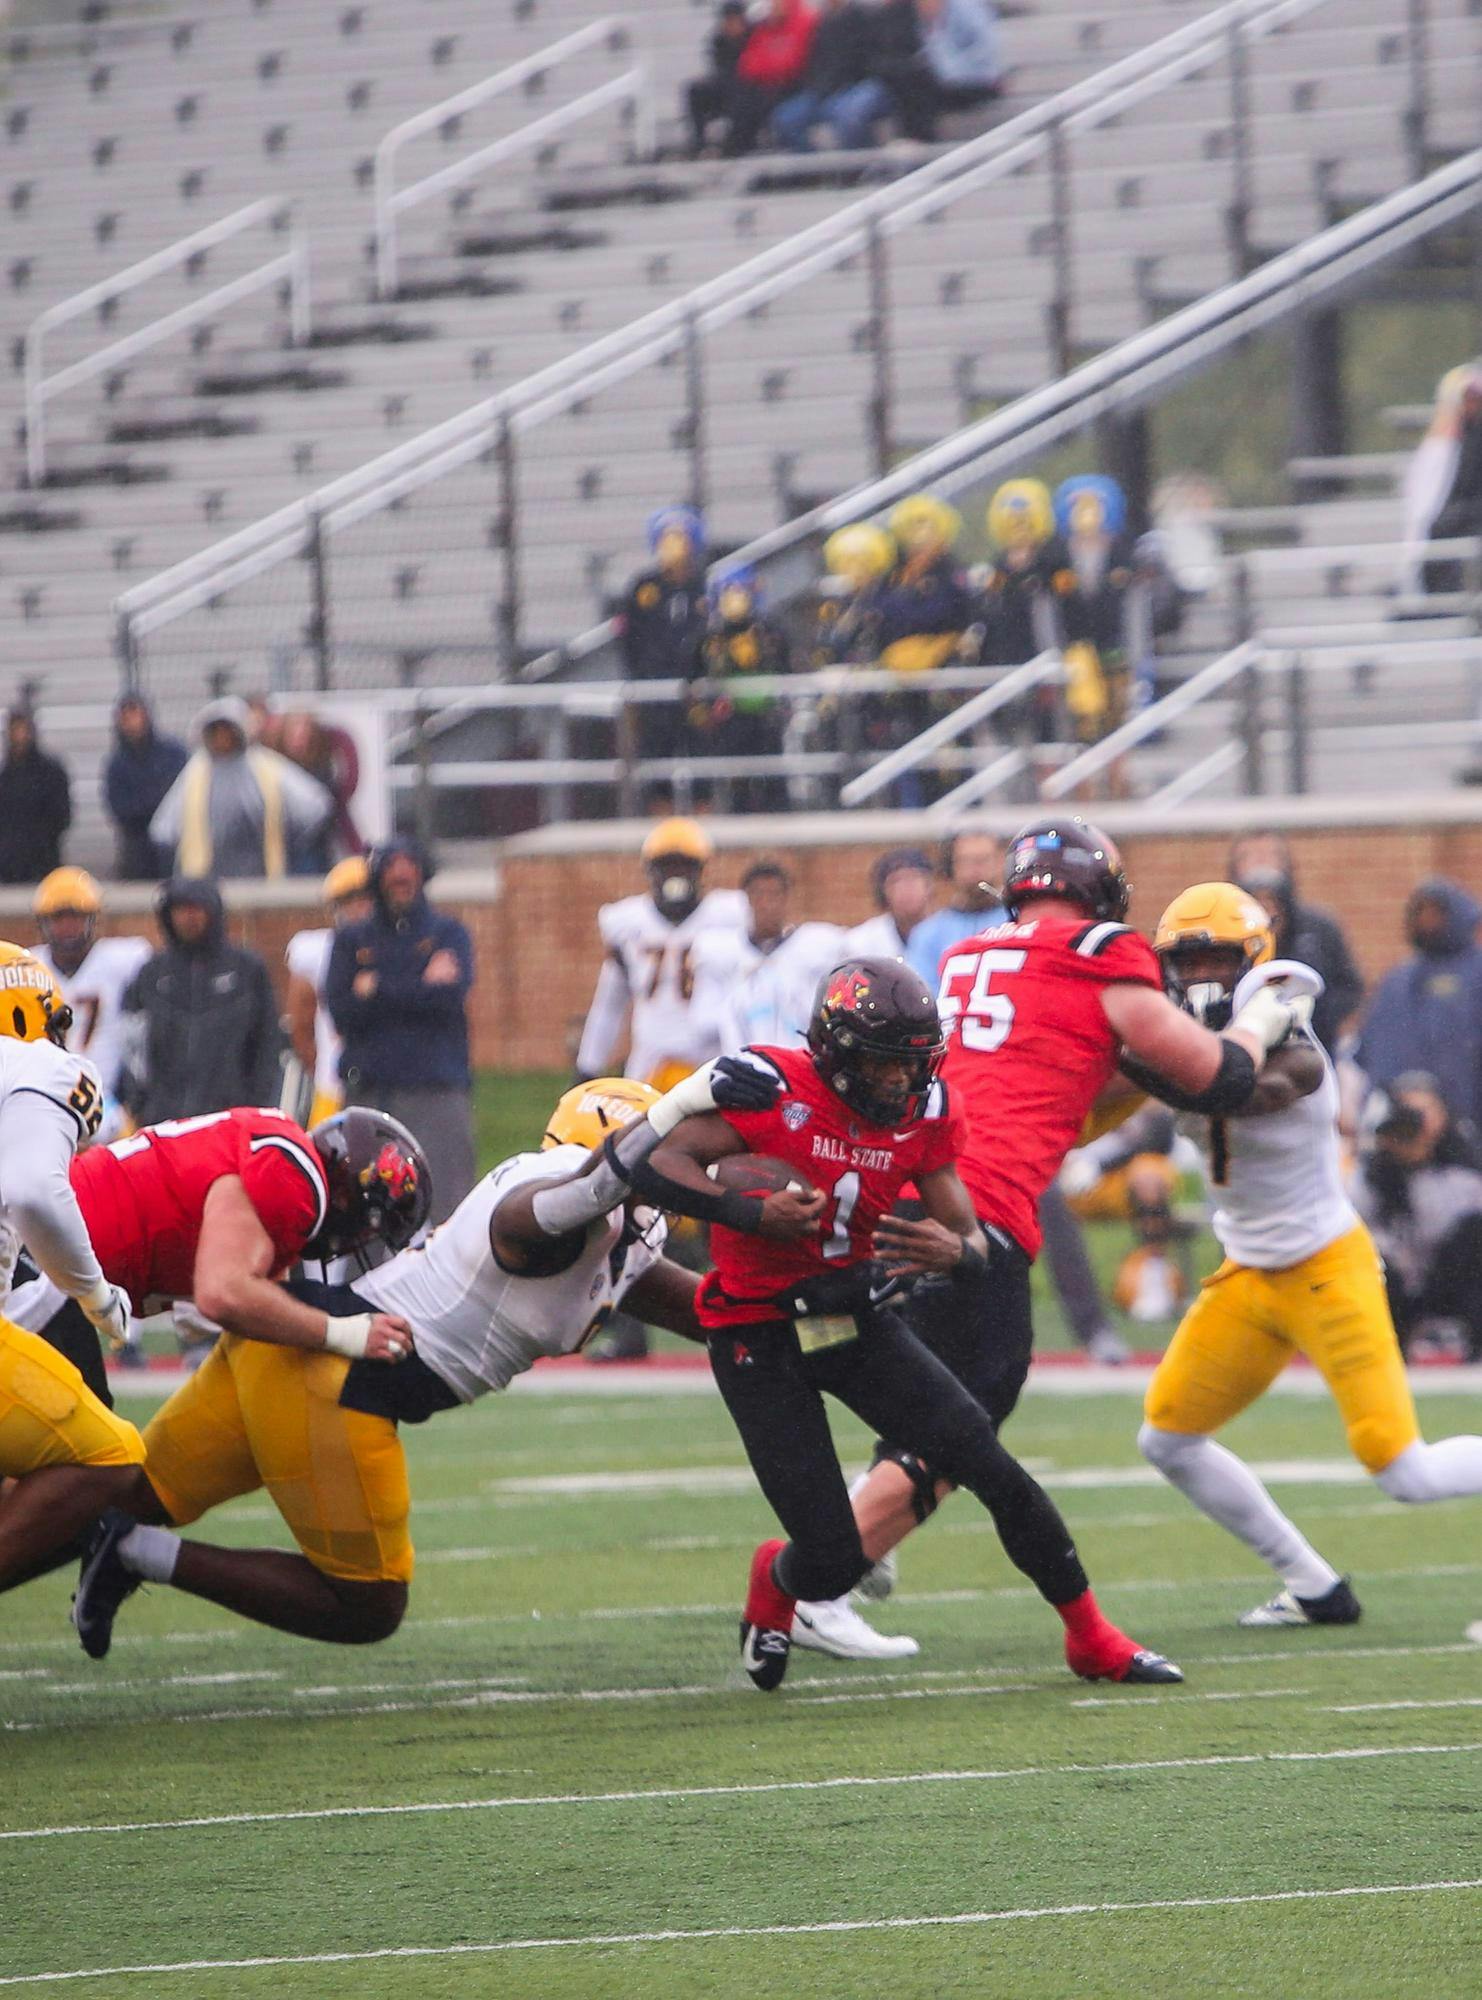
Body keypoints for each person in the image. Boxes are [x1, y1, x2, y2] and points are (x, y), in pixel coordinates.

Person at [69, 1060, 777, 1656]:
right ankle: (135, 1553)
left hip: (283, 1349)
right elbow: (577, 1195)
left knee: (104, 1496)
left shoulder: (621, 1245)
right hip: (335, 1369)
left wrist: (837, 1304)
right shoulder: (538, 1209)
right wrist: (671, 1122)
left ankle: (119, 1538)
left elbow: (719, 1310)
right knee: (370, 1603)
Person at [815, 817, 1314, 1647]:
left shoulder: (968, 954)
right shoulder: (1104, 954)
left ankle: (851, 1543)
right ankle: (818, 1574)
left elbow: (1065, 1065)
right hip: (980, 1204)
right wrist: (1266, 1019)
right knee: (973, 1402)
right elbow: (1220, 1076)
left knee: (936, 1390)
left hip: (906, 1182)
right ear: (1101, 896)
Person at [635, 959, 1183, 1690]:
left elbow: (975, 1242)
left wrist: (954, 1252)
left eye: (911, 1066)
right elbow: (650, 1164)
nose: (898, 1083)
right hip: (756, 1330)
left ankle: (1091, 1636)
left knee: (992, 1467)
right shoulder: (773, 1090)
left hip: (849, 1316)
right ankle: (776, 1574)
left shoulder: (927, 1112)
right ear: (834, 1052)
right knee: (829, 1560)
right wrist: (746, 1212)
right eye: (883, 1065)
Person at [1138, 884, 1482, 1627]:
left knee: (1406, 1472)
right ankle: (1314, 1585)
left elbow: (1247, 1088)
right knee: (1166, 1438)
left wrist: (1137, 1060)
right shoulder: (1168, 1028)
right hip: (1245, 1275)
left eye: (1215, 959)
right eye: (1185, 958)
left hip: (1326, 1269)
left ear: (1252, 962)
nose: (1199, 976)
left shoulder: (1285, 1030)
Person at [325, 840, 476, 1225]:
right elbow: (343, 1012)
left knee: (449, 1208)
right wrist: (419, 982)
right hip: (372, 1090)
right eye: (392, 868)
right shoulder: (351, 940)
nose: (401, 875)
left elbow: (448, 999)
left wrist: (377, 987)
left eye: (410, 866)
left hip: (436, 1087)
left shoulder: (449, 932)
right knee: (368, 1210)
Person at [575, 818, 748, 1089]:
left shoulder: (729, 917)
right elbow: (608, 1005)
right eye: (666, 867)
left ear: (700, 870)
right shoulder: (628, 924)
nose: (675, 876)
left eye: (683, 866)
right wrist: (588, 1067)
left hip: (712, 1060)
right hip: (650, 1063)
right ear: (650, 871)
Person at [118, 879, 283, 1132]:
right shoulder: (151, 974)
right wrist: (141, 1104)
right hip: (164, 1124)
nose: (188, 918)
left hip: (228, 1123)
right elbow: (132, 1043)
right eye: (180, 910)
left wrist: (254, 1108)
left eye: (196, 909)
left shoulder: (246, 970)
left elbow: (268, 1044)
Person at [1351, 1072, 1482, 1362]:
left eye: (1426, 1111)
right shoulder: (1371, 1179)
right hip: (1393, 1280)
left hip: (1449, 1276)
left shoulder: (1462, 1170)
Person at [148, 697, 333, 880]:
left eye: (227, 731)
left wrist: (290, 837)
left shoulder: (263, 766)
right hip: (207, 879)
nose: (222, 738)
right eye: (217, 732)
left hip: (261, 873)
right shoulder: (196, 772)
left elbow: (315, 805)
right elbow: (163, 829)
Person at [30, 868, 151, 1141]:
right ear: (43, 923)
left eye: (75, 918)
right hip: (45, 1096)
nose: (67, 928)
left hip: (107, 1101)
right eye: (58, 919)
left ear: (93, 920)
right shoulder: (31, 967)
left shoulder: (125, 960)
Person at [1356, 880, 1482, 1131]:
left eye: (1436, 912)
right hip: (1399, 1119)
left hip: (1464, 1117)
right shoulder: (1398, 979)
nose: (1427, 920)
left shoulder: (1475, 975)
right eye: (1420, 912)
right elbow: (1372, 1045)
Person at [691, 858, 846, 1055]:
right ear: (747, 898)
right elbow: (702, 1021)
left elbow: (825, 1015)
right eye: (759, 895)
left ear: (787, 897)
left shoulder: (814, 947)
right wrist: (746, 999)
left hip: (799, 1062)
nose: (767, 904)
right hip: (741, 1064)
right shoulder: (720, 951)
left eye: (774, 894)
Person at [1227, 831, 1363, 1055]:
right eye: (1249, 857)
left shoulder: (1319, 928)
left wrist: (1317, 1017)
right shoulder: (1226, 933)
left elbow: (1349, 987)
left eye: (1271, 855)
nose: (1261, 863)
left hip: (1313, 1049)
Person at [688, 562, 793, 812]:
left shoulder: (770, 630)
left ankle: (782, 828)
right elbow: (694, 675)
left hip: (766, 716)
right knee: (736, 780)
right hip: (729, 719)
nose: (735, 599)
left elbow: (785, 667)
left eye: (741, 591)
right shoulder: (709, 637)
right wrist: (704, 710)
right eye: (729, 592)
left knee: (773, 779)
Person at [618, 506, 710, 783]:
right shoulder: (643, 588)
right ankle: (659, 819)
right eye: (666, 538)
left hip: (696, 692)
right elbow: (629, 639)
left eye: (680, 537)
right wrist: (638, 680)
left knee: (702, 767)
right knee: (656, 769)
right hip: (654, 692)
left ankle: (703, 819)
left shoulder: (704, 586)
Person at [284, 856, 374, 1127]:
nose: (361, 907)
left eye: (367, 897)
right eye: (350, 900)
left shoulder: (402, 946)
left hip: (393, 1081)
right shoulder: (317, 950)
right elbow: (300, 1023)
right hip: (334, 1083)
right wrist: (321, 1066)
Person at [876, 0, 1003, 144]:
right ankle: (913, 141)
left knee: (917, 86)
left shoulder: (966, 7)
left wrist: (948, 73)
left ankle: (922, 142)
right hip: (942, 81)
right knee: (904, 81)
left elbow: (986, 48)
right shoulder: (923, 12)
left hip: (979, 79)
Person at [773, 0, 891, 152]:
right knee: (785, 118)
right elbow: (815, 64)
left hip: (862, 85)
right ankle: (815, 170)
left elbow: (873, 59)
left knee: (849, 116)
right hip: (824, 90)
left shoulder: (865, 16)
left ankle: (860, 169)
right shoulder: (821, 24)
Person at [102, 693, 188, 881]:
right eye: (126, 717)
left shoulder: (172, 753)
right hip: (137, 849)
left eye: (135, 714)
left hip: (173, 844)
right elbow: (119, 807)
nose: (131, 722)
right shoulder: (117, 763)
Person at [903, 831, 1003, 986]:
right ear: (954, 866)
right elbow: (922, 990)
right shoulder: (928, 933)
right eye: (966, 861)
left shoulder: (1018, 921)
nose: (975, 870)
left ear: (998, 863)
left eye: (982, 860)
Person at [724, 0, 816, 156]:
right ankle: (740, 153)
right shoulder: (765, 27)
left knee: (777, 114)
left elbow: (793, 63)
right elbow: (748, 65)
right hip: (766, 86)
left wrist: (770, 68)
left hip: (794, 87)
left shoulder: (805, 23)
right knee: (742, 102)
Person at [0, 707, 71, 886]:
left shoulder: (51, 772)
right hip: (9, 868)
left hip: (44, 862)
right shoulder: (5, 776)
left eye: (23, 729)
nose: (19, 736)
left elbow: (62, 815)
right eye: (15, 730)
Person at [845, 846, 936, 961]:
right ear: (884, 891)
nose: (906, 887)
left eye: (913, 878)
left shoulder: (948, 932)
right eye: (896, 881)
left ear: (929, 885)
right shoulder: (863, 941)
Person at [686, 0, 752, 155]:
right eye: (727, 20)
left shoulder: (753, 39)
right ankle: (699, 141)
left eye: (734, 20)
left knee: (740, 97)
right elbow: (719, 70)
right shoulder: (718, 41)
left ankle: (736, 145)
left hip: (748, 88)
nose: (730, 25)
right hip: (726, 86)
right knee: (695, 90)